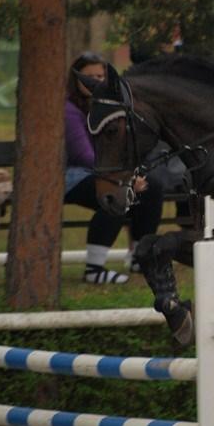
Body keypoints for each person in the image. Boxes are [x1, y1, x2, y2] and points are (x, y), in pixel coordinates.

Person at [65, 52, 163, 283]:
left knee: (152, 188)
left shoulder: (107, 107)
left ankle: (140, 257)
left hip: (103, 171)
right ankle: (94, 269)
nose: (97, 81)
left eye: (101, 76)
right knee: (117, 191)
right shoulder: (69, 110)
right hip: (71, 176)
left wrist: (132, 174)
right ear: (77, 80)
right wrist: (125, 178)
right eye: (90, 76)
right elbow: (83, 155)